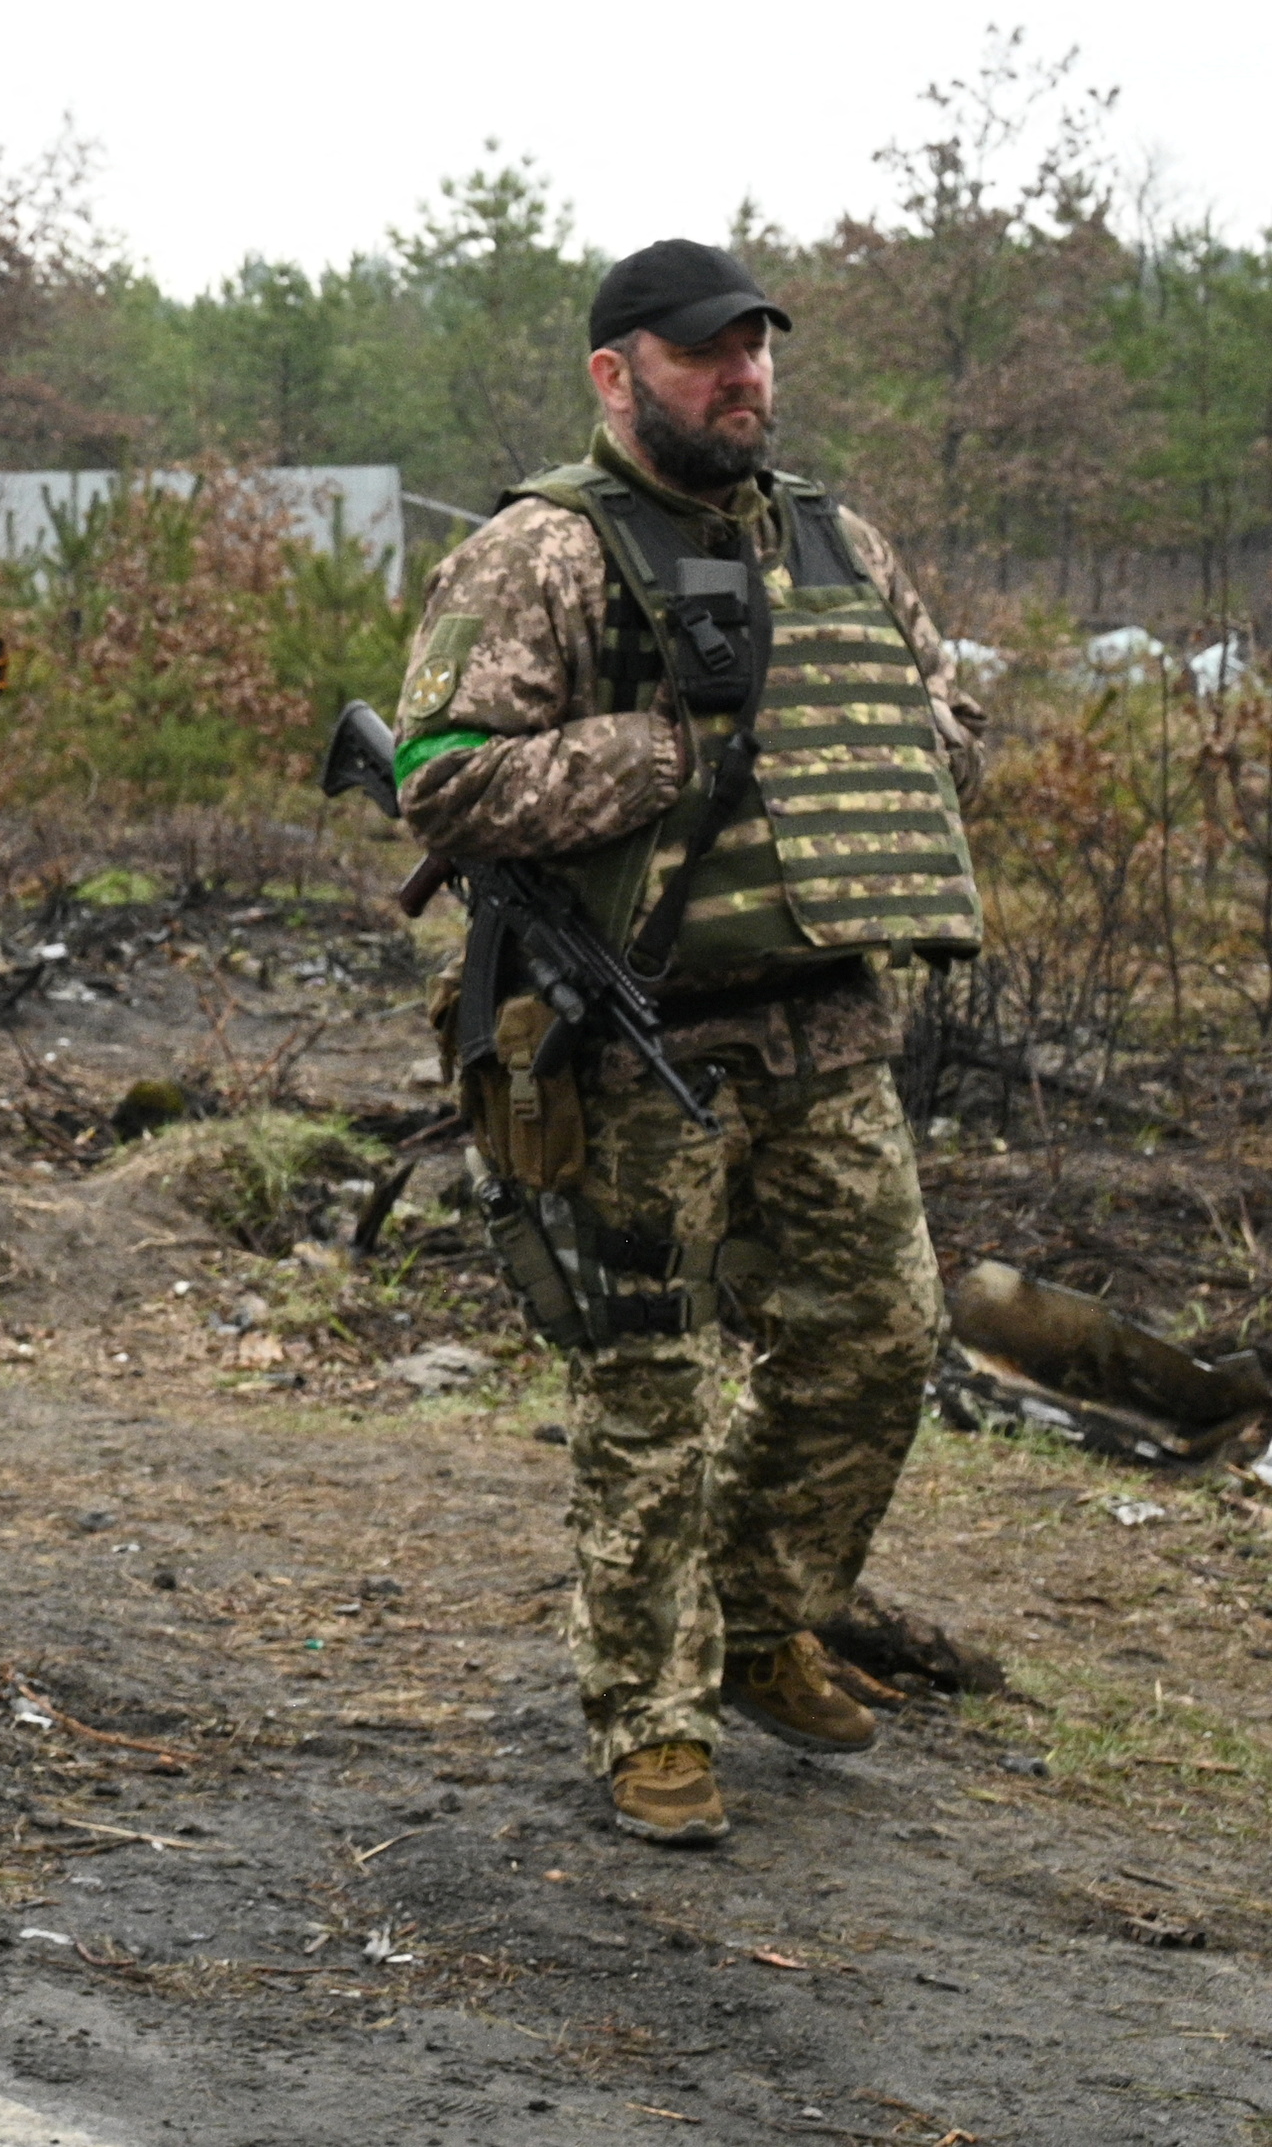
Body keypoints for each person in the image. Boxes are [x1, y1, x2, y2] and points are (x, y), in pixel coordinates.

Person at [392, 238, 979, 1850]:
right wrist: (670, 752)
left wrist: (870, 752)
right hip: (641, 1036)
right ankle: (650, 1715)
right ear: (617, 372)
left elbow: (943, 726)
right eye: (711, 351)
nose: (747, 377)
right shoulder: (543, 556)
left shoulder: (836, 542)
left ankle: (760, 1611)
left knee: (879, 1336)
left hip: (827, 1029)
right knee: (649, 1380)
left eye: (760, 349)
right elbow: (439, 776)